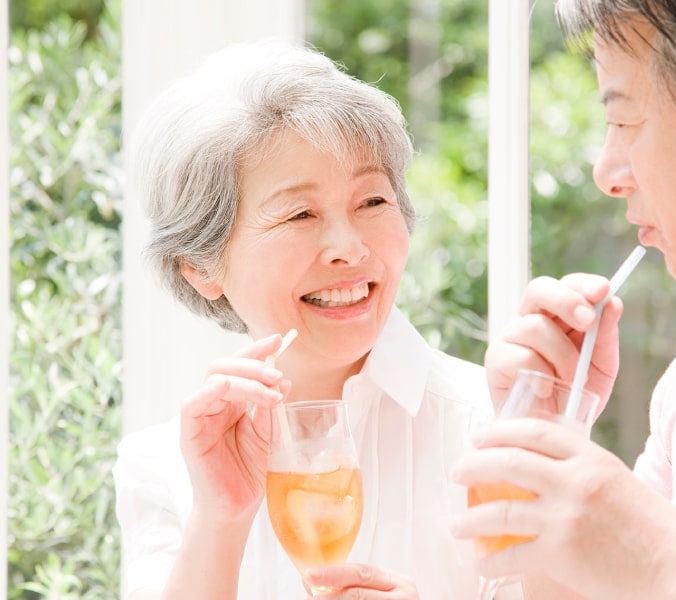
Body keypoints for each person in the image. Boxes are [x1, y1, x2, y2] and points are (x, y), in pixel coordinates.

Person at [112, 40, 497, 600]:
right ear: (200, 265)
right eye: (300, 214)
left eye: (372, 202)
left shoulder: (490, 428)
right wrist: (220, 518)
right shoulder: (162, 466)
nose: (349, 248)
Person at [450, 0, 676, 598]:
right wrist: (550, 440)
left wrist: (662, 560)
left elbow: (658, 568)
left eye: (624, 120)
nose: (606, 172)